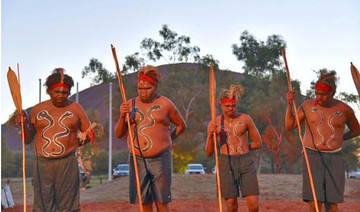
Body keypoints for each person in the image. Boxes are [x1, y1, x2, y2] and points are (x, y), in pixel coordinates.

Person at [15, 68, 93, 212]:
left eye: (64, 92)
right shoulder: (37, 110)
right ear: (49, 91)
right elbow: (27, 139)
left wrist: (84, 138)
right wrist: (24, 125)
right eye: (57, 92)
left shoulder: (75, 108)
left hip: (67, 163)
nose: (61, 96)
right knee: (42, 207)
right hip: (42, 165)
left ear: (69, 92)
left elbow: (89, 132)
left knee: (68, 207)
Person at [285, 69, 360, 212]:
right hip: (312, 155)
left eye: (324, 94)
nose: (319, 97)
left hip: (335, 157)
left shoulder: (345, 109)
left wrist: (341, 138)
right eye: (317, 93)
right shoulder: (307, 106)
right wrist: (289, 105)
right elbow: (290, 126)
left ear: (332, 93)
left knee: (332, 202)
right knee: (314, 199)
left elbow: (357, 130)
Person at [115, 65, 186, 212]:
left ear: (155, 86)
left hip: (161, 158)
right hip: (137, 159)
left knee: (161, 202)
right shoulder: (130, 104)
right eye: (140, 89)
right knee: (144, 203)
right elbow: (119, 134)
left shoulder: (166, 104)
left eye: (147, 89)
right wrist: (123, 116)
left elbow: (181, 125)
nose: (143, 92)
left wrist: (168, 139)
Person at [205, 85, 262, 212]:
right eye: (227, 106)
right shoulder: (214, 123)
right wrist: (210, 136)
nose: (231, 108)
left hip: (245, 162)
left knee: (254, 205)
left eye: (233, 106)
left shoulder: (245, 119)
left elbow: (258, 143)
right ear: (221, 105)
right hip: (225, 162)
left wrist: (242, 148)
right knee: (231, 204)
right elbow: (209, 153)